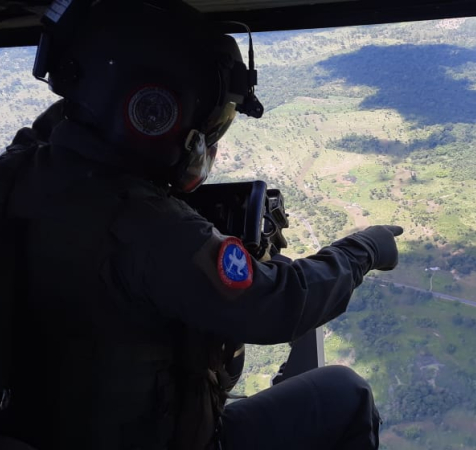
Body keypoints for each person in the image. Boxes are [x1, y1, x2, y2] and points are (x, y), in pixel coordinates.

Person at [0, 0, 402, 449]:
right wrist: (363, 250)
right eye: (209, 124)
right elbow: (278, 304)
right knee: (347, 396)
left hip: (39, 429)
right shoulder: (144, 224)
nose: (208, 141)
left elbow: (59, 130)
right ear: (150, 113)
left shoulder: (18, 172)